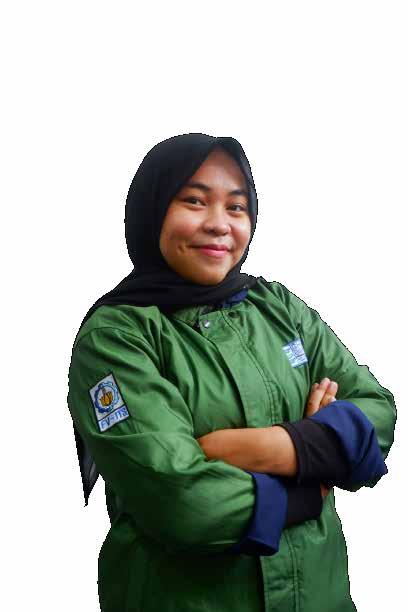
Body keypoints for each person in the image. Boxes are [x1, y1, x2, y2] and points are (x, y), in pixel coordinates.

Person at [67, 133, 396, 612]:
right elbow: (182, 502)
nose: (219, 224)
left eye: (236, 207)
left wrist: (267, 448)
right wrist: (311, 483)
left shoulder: (277, 307)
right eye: (195, 201)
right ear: (151, 210)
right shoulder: (119, 336)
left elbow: (378, 411)